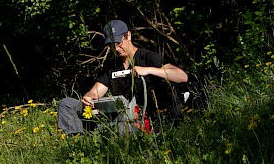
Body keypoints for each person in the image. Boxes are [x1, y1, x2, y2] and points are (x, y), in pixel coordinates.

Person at [57, 20, 189, 135]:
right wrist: (89, 97)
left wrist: (148, 70)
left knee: (122, 127)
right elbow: (96, 90)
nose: (116, 48)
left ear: (128, 35)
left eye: (119, 42)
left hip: (140, 119)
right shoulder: (112, 66)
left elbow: (182, 76)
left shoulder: (148, 57)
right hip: (116, 115)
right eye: (112, 44)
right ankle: (75, 142)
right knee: (67, 104)